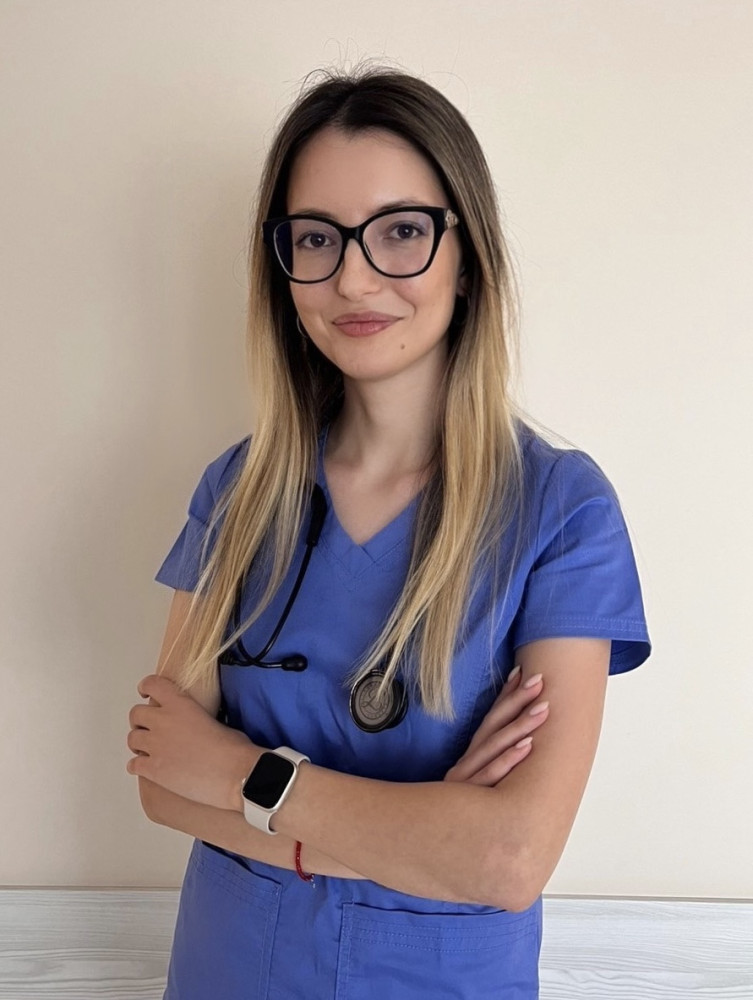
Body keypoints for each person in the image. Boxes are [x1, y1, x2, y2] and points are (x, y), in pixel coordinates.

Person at [126, 66, 651, 1000]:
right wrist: (419, 832)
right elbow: (163, 780)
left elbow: (507, 860)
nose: (354, 277)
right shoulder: (238, 491)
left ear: (467, 254)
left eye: (401, 231)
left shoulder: (561, 511)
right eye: (316, 238)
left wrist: (240, 775)